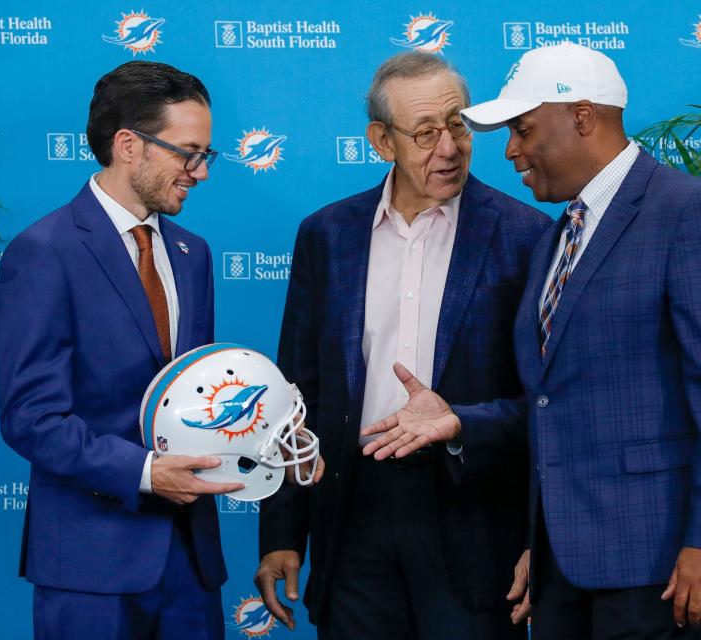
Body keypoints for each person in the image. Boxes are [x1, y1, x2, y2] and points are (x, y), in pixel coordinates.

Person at [362, 42, 701, 639]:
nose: (511, 152)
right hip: (564, 572)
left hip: (662, 568)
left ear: (581, 116)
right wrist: (539, 537)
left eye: (524, 130)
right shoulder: (561, 237)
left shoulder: (690, 213)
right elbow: (556, 405)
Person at [254, 52, 550, 639]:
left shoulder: (527, 237)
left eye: (458, 125)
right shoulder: (328, 235)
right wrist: (283, 534)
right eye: (424, 133)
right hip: (353, 515)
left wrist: (540, 542)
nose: (448, 147)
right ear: (381, 141)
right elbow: (295, 395)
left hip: (476, 520)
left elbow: (546, 405)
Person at [0, 61, 242, 640]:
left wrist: (267, 440)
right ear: (129, 145)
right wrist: (148, 473)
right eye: (188, 152)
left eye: (207, 154)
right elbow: (31, 419)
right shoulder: (44, 252)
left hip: (192, 563)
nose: (200, 172)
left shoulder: (191, 252)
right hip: (90, 566)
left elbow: (193, 398)